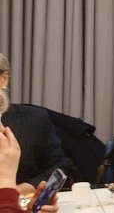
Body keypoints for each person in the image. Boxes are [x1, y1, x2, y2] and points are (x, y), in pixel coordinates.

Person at [0, 52, 74, 185]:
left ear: (3, 79)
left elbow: (60, 167)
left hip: (22, 197)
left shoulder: (33, 119)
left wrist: (29, 187)